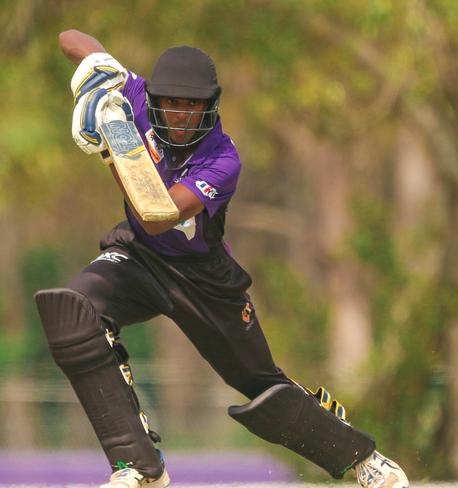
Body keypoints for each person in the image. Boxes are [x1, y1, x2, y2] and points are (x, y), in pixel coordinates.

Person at [35, 29, 410, 488]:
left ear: (210, 105)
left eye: (194, 105)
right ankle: (138, 466)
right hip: (137, 258)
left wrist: (114, 150)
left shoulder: (222, 158)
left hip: (203, 279)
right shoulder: (131, 95)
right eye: (172, 102)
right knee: (72, 312)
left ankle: (363, 459)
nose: (181, 114)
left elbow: (159, 215)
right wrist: (97, 76)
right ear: (154, 96)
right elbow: (71, 38)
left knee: (262, 387)